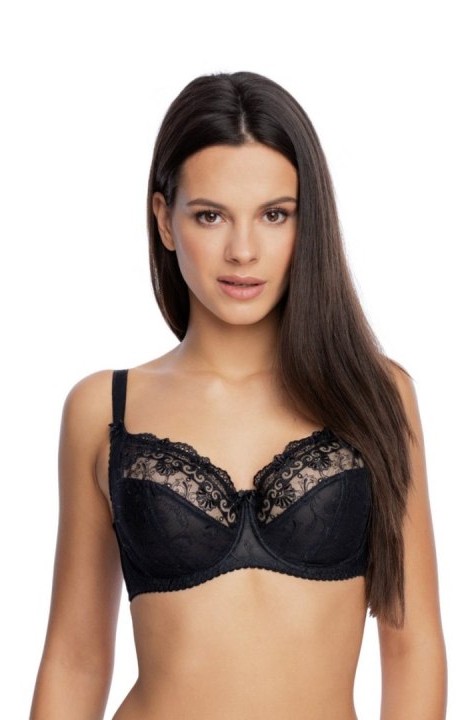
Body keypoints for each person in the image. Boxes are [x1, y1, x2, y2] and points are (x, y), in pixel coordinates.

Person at [29, 71, 447, 720]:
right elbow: (75, 657)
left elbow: (412, 641)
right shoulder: (104, 408)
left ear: (308, 222)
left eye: (274, 215)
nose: (243, 251)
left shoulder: (377, 395)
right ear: (165, 220)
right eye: (210, 215)